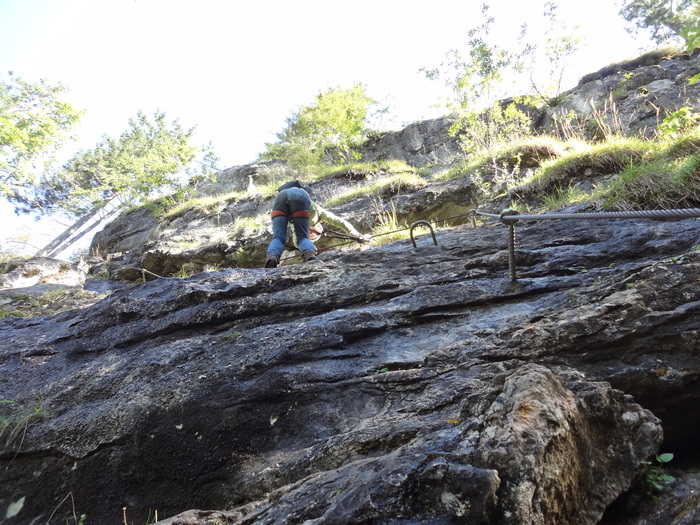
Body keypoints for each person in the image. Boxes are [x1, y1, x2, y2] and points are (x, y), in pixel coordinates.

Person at [264, 180, 370, 268]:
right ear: (318, 225)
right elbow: (340, 222)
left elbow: (296, 242)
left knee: (278, 238)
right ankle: (309, 257)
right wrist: (358, 235)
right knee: (303, 238)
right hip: (300, 196)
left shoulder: (295, 226)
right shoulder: (318, 212)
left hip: (280, 197)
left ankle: (272, 257)